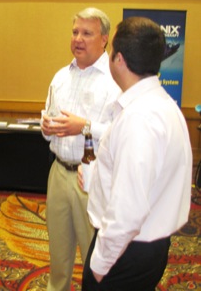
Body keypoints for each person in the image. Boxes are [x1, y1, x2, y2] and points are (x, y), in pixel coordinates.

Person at [79, 16, 192, 291]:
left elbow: (128, 211)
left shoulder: (139, 118)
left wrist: (100, 265)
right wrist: (97, 178)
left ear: (118, 59)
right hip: (145, 246)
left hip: (125, 252)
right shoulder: (163, 105)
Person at [40, 7, 121, 291]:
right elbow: (46, 115)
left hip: (94, 177)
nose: (78, 39)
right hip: (59, 173)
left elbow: (121, 133)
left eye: (87, 33)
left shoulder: (116, 81)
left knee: (94, 257)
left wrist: (84, 126)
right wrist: (46, 126)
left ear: (104, 40)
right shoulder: (61, 75)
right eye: (75, 32)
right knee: (58, 255)